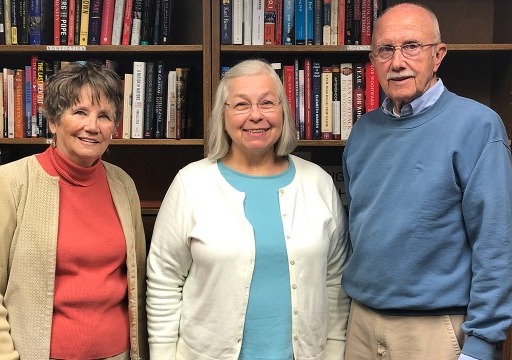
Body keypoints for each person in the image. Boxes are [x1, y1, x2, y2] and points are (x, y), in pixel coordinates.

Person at [146, 59, 350, 359]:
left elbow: (336, 279)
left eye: (267, 102)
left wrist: (334, 350)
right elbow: (164, 281)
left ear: (283, 111)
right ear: (223, 116)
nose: (256, 115)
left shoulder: (317, 182)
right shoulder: (191, 183)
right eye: (241, 105)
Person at [342, 3, 512, 360]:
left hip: (437, 330)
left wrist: (482, 342)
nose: (397, 61)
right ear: (373, 60)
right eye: (386, 49)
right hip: (359, 323)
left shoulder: (478, 126)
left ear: (438, 55)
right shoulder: (362, 132)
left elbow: (497, 241)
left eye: (411, 46)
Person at [0, 62, 148, 359]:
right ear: (53, 121)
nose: (92, 126)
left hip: (119, 353)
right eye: (80, 112)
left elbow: (138, 281)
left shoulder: (123, 185)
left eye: (104, 116)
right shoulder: (11, 182)